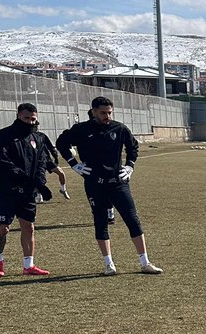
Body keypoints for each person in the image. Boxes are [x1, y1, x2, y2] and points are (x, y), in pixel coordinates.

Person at [55, 95, 163, 275]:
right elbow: (61, 143)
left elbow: (133, 147)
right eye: (103, 113)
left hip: (118, 183)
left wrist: (130, 166)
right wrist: (74, 164)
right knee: (100, 221)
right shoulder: (81, 129)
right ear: (94, 112)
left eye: (109, 112)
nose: (107, 116)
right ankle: (109, 264)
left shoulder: (119, 128)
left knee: (132, 220)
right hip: (94, 183)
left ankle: (145, 262)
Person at [0, 102, 55, 277]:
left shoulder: (37, 138)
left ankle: (29, 265)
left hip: (27, 190)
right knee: (4, 227)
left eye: (33, 119)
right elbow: (2, 162)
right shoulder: (3, 136)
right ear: (19, 115)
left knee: (28, 227)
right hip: (7, 189)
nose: (30, 122)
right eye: (27, 118)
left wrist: (40, 182)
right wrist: (27, 179)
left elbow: (42, 161)